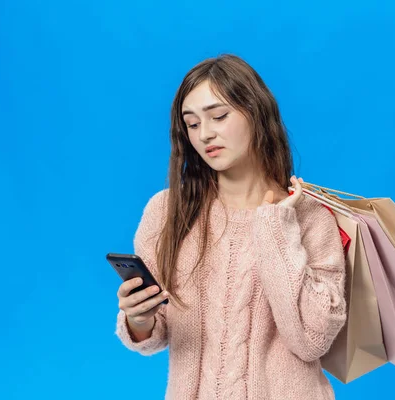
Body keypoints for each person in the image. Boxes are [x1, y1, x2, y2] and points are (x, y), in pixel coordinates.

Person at [115, 54, 347, 399]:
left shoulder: (309, 215)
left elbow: (311, 340)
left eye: (219, 116)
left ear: (255, 111)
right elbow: (156, 332)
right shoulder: (167, 211)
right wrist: (138, 318)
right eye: (192, 124)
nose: (205, 134)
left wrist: (275, 225)